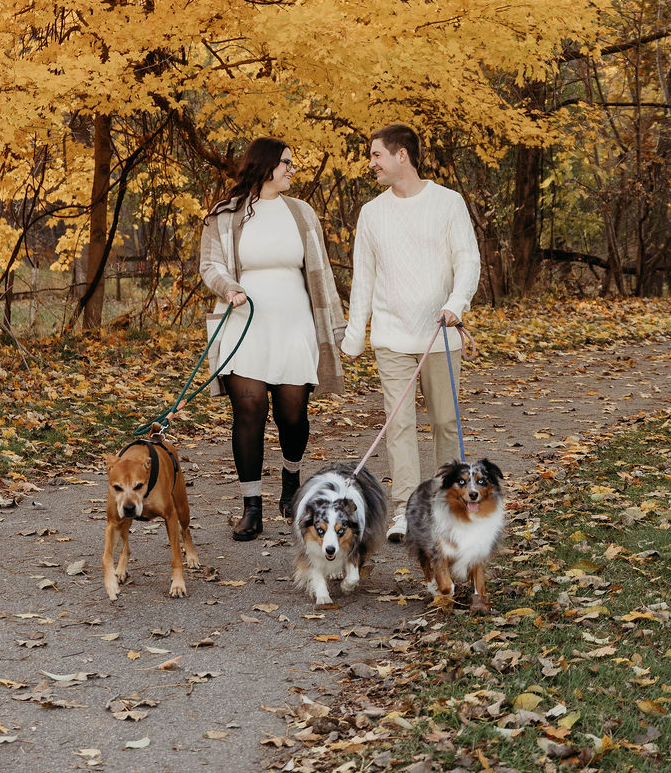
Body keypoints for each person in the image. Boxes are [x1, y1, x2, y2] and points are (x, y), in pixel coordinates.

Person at [200, 138, 346, 541]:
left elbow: (321, 273)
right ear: (265, 165)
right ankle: (251, 507)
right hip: (245, 323)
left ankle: (291, 476)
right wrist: (229, 286)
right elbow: (209, 264)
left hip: (294, 322)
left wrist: (335, 325)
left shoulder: (301, 213)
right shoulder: (225, 214)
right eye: (286, 163)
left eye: (292, 164)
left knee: (292, 413)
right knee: (248, 408)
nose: (291, 170)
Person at [341, 124, 481, 542]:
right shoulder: (372, 213)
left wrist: (455, 305)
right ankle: (406, 507)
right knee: (398, 424)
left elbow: (468, 263)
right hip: (391, 336)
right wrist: (355, 335)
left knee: (445, 422)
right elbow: (363, 279)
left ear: (402, 156)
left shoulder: (448, 203)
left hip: (440, 336)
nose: (372, 164)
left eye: (376, 155)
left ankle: (451, 503)